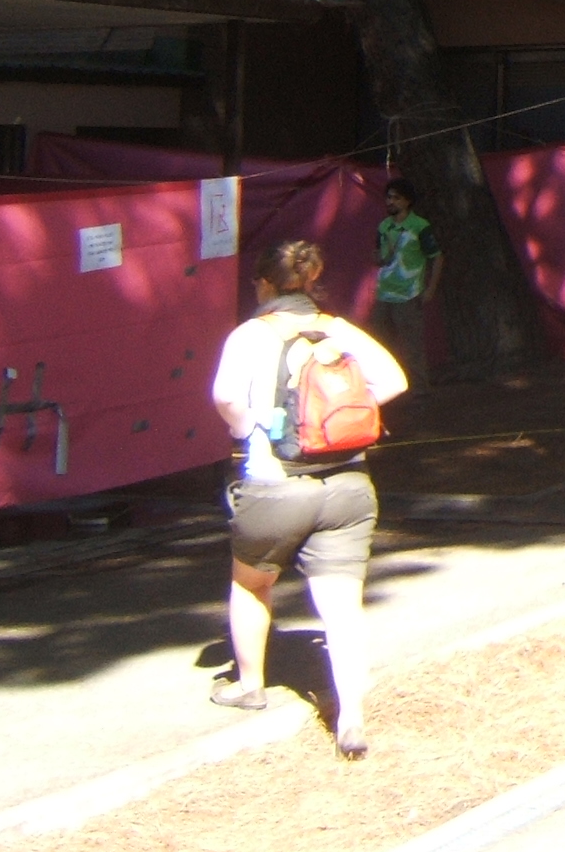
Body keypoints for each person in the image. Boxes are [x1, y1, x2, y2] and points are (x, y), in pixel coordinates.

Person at [208, 239, 409, 758]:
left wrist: (245, 426)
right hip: (347, 485)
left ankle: (250, 685)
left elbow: (226, 396)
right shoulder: (339, 330)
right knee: (342, 607)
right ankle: (352, 721)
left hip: (274, 484)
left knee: (252, 582)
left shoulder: (248, 335)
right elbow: (393, 380)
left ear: (265, 285)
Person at [371, 178, 441, 394]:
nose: (390, 202)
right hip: (384, 294)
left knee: (413, 344)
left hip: (409, 294)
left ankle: (420, 389)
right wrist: (386, 253)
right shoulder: (384, 227)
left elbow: (437, 257)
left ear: (408, 201)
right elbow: (377, 258)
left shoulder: (420, 226)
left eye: (396, 198)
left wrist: (430, 289)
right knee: (381, 343)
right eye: (388, 197)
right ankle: (387, 388)